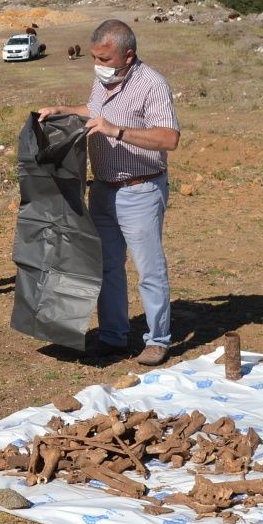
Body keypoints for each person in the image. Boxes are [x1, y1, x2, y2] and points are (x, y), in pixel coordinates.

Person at [37, 19, 179, 366]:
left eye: (105, 59)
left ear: (128, 56)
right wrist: (63, 111)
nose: (97, 66)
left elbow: (168, 138)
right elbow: (95, 113)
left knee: (149, 269)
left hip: (140, 189)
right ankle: (113, 336)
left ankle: (157, 340)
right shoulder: (104, 80)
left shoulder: (152, 85)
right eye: (94, 58)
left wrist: (117, 132)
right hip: (102, 190)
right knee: (107, 267)